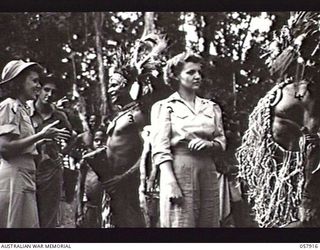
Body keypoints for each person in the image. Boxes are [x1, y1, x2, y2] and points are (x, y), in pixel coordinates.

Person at [237, 12, 320, 227]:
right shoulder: (284, 90)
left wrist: (307, 199)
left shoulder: (309, 92)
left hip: (296, 183)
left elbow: (312, 143)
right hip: (276, 181)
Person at [151, 52, 226, 227]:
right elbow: (160, 149)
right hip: (179, 169)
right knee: (181, 223)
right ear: (175, 76)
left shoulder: (211, 107)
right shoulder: (165, 107)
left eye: (199, 72)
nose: (197, 76)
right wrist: (171, 183)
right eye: (190, 72)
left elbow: (221, 140)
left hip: (208, 169)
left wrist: (211, 144)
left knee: (210, 223)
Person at [0, 60, 70, 228]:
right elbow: (4, 147)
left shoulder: (22, 108)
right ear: (18, 83)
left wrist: (42, 139)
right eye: (34, 81)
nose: (38, 86)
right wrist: (40, 135)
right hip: (14, 177)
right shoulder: (9, 106)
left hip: (25, 175)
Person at [102, 71, 146, 227]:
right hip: (112, 182)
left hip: (129, 184)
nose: (109, 90)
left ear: (128, 87)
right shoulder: (120, 115)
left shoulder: (137, 115)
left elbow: (149, 150)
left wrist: (124, 177)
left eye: (114, 85)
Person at [28, 75, 73, 228]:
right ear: (39, 90)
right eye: (46, 90)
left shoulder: (59, 116)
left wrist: (63, 153)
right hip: (27, 166)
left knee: (48, 215)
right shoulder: (26, 111)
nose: (49, 95)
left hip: (50, 168)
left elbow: (72, 137)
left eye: (53, 92)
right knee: (26, 212)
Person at [78, 128, 108, 227]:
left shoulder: (110, 160)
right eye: (96, 140)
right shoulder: (87, 161)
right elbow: (80, 186)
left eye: (102, 140)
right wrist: (79, 210)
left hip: (105, 206)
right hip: (90, 205)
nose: (99, 143)